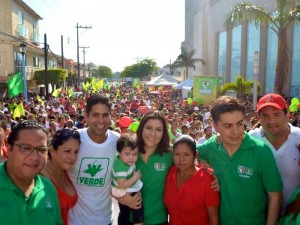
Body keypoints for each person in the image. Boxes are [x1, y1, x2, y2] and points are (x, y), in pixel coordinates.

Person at [198, 96, 283, 225]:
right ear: (215, 126)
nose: (236, 131)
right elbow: (186, 153)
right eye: (228, 126)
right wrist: (203, 168)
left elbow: (275, 196)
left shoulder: (261, 151)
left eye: (239, 124)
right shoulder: (211, 146)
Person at [68, 94, 120, 225]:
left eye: (105, 115)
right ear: (86, 116)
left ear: (110, 116)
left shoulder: (118, 141)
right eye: (95, 115)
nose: (101, 120)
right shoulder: (74, 140)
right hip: (74, 221)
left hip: (105, 220)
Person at [0, 120, 62, 224]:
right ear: (9, 149)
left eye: (41, 150)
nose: (34, 157)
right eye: (26, 148)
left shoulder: (49, 188)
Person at [249, 93, 300, 210]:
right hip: (259, 216)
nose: (271, 121)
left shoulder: (299, 137)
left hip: (293, 217)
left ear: (288, 115)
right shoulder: (250, 139)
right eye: (265, 116)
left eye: (277, 114)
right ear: (258, 117)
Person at [164, 135, 219, 225]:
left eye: (186, 154)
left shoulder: (207, 180)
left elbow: (214, 219)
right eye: (177, 154)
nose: (181, 159)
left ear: (195, 154)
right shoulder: (170, 173)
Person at [41, 128, 81, 225]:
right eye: (67, 151)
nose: (73, 157)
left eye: (76, 152)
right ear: (52, 151)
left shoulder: (65, 171)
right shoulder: (41, 177)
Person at [112, 133, 143, 225]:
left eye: (135, 154)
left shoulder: (124, 161)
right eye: (127, 154)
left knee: (124, 212)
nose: (131, 157)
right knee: (138, 205)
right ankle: (138, 222)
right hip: (122, 190)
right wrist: (135, 177)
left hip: (124, 190)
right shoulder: (120, 166)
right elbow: (122, 185)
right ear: (119, 152)